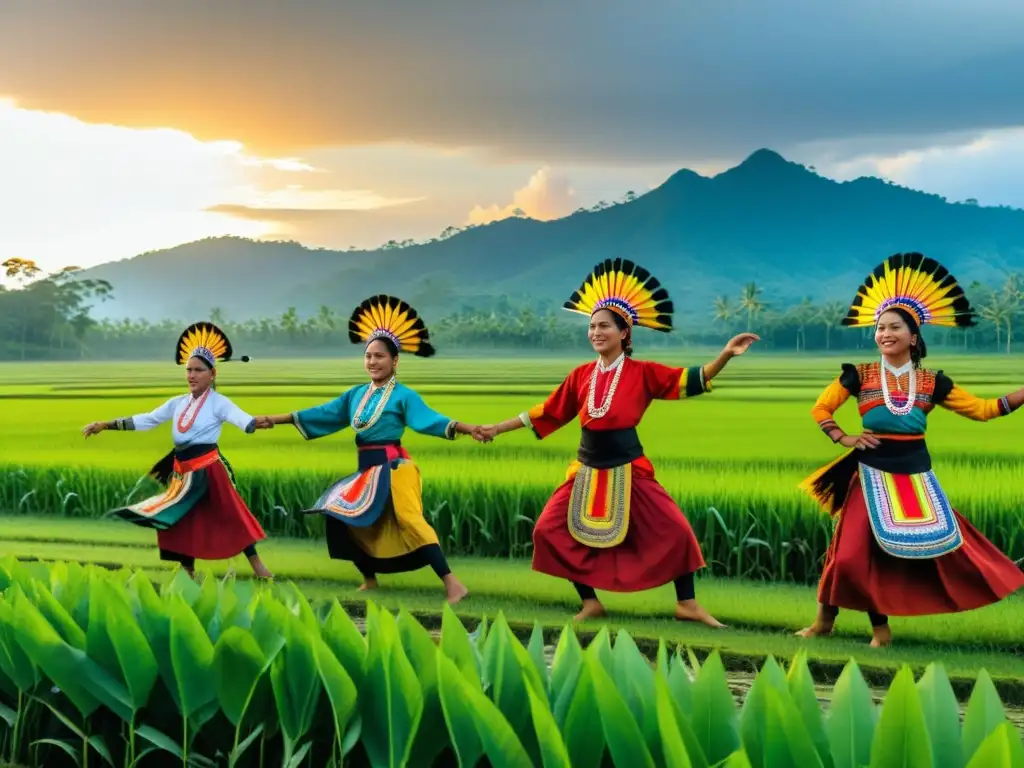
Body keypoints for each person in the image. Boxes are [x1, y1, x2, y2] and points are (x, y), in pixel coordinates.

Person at [473, 258, 759, 624]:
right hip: (586, 468)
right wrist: (497, 428)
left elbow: (692, 379)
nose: (595, 332)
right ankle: (590, 601)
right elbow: (548, 412)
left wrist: (725, 356)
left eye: (604, 326)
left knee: (677, 530)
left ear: (624, 332)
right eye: (592, 326)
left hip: (629, 467)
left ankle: (686, 603)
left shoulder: (644, 373)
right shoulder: (581, 376)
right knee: (547, 529)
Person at [797, 252, 1024, 647]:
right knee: (848, 554)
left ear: (913, 336)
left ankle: (866, 630)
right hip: (867, 472)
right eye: (879, 327)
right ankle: (834, 624)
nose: (884, 333)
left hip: (915, 476)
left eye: (894, 327)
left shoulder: (934, 382)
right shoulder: (858, 375)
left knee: (945, 550)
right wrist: (844, 437)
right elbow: (821, 407)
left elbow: (986, 410)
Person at [253, 294, 481, 604]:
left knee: (411, 522)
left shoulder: (404, 396)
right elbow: (322, 413)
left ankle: (454, 584)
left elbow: (429, 419)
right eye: (368, 356)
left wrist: (467, 428)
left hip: (395, 468)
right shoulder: (355, 394)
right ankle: (370, 579)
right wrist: (273, 419)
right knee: (341, 514)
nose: (372, 362)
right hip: (367, 470)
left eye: (379, 356)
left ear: (395, 360)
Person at [81, 322, 272, 580]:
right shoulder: (178, 403)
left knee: (230, 514)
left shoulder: (219, 403)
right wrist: (106, 424)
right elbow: (147, 420)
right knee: (179, 519)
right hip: (182, 471)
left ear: (212, 374)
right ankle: (187, 572)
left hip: (208, 469)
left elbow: (242, 419)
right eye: (189, 370)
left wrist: (256, 422)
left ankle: (259, 568)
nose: (192, 375)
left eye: (198, 370)